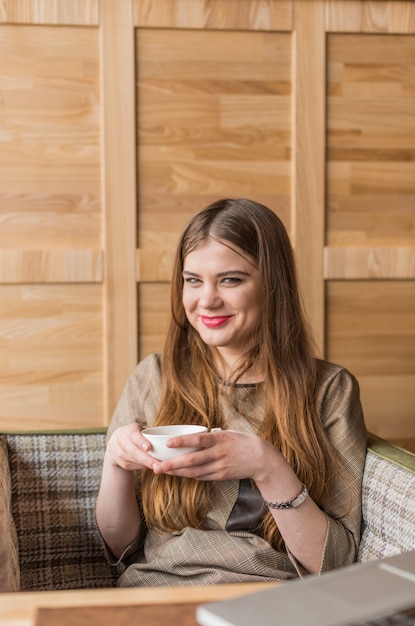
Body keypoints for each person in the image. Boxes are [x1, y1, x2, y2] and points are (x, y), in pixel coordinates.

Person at [96, 198, 367, 587]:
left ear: (272, 284)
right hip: (157, 592)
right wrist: (116, 463)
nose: (207, 300)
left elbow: (337, 564)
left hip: (271, 600)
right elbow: (116, 548)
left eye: (231, 280)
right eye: (193, 280)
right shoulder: (153, 378)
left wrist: (268, 467)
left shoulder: (329, 390)